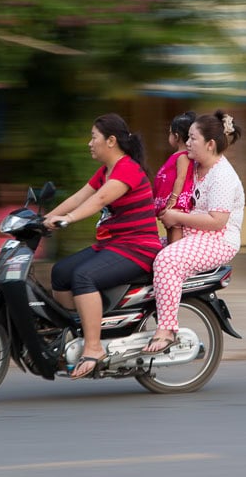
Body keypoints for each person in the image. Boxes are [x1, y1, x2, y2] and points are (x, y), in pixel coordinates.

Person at [43, 113, 162, 379]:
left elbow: (98, 200)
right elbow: (79, 196)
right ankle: (75, 334)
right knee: (61, 272)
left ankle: (94, 347)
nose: (89, 143)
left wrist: (67, 220)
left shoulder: (127, 168)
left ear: (110, 141)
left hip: (138, 248)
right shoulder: (106, 171)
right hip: (115, 244)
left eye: (93, 137)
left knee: (83, 277)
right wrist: (45, 219)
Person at [142, 110, 244, 354]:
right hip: (192, 234)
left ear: (209, 145)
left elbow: (217, 221)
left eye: (192, 139)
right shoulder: (196, 165)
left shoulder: (223, 176)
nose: (186, 143)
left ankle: (167, 329)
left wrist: (176, 216)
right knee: (143, 248)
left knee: (167, 261)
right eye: (186, 137)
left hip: (218, 241)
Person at [153, 111, 196, 243]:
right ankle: (170, 252)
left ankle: (174, 254)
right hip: (170, 202)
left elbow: (181, 178)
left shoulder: (183, 156)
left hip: (175, 203)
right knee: (169, 227)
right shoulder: (177, 155)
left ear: (176, 136)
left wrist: (173, 198)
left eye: (170, 133)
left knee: (175, 229)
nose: (169, 136)